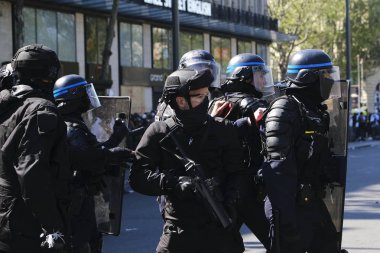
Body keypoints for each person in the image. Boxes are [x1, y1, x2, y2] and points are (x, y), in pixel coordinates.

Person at [129, 68, 246, 253]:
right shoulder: (159, 131)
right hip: (179, 229)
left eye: (206, 95)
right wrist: (174, 183)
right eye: (199, 96)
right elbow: (137, 177)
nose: (206, 100)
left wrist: (232, 202)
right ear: (181, 100)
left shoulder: (223, 129)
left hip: (219, 227)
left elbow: (238, 173)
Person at [260, 49, 342, 252]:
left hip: (311, 202)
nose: (331, 80)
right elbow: (277, 169)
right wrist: (286, 219)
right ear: (308, 77)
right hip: (289, 207)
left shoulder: (313, 109)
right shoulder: (284, 109)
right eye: (326, 75)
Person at [0, 44, 71, 252]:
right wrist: (52, 227)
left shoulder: (8, 104)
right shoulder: (40, 108)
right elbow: (32, 173)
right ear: (48, 73)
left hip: (6, 215)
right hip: (27, 224)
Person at [53, 74, 134, 253]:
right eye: (85, 93)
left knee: (93, 240)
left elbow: (93, 155)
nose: (89, 97)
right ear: (75, 96)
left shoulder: (73, 124)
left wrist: (115, 138)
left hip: (82, 201)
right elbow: (92, 159)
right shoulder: (70, 129)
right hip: (74, 204)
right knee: (81, 245)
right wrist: (116, 153)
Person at [208, 53, 273, 250]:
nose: (262, 80)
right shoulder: (252, 104)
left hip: (225, 185)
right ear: (245, 77)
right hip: (249, 185)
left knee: (223, 244)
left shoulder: (216, 102)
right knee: (278, 241)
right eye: (259, 75)